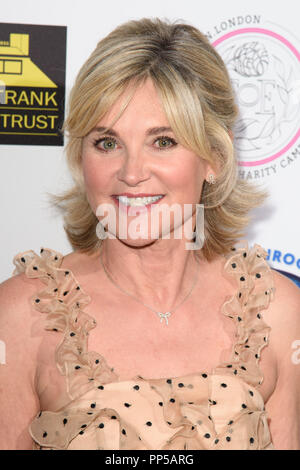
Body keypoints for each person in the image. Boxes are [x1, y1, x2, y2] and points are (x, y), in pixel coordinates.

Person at [1, 17, 300, 451]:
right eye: (107, 142)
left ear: (214, 156)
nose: (131, 173)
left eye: (162, 141)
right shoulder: (23, 314)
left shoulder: (276, 313)